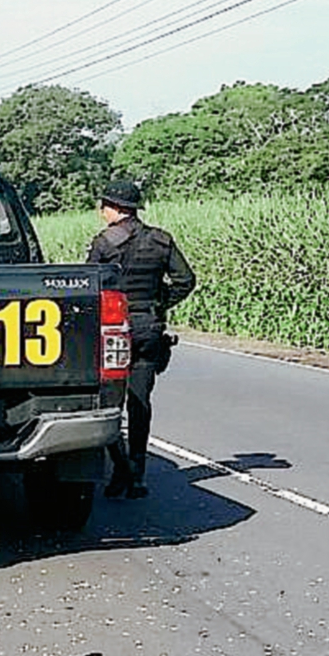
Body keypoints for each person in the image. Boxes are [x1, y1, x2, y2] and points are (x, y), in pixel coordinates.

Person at [87, 180, 195, 499]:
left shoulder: (105, 243)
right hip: (149, 326)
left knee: (108, 403)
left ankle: (120, 467)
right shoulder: (161, 240)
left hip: (114, 329)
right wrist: (159, 302)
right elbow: (185, 280)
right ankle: (137, 473)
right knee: (140, 402)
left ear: (116, 208)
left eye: (104, 205)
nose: (101, 210)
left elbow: (89, 286)